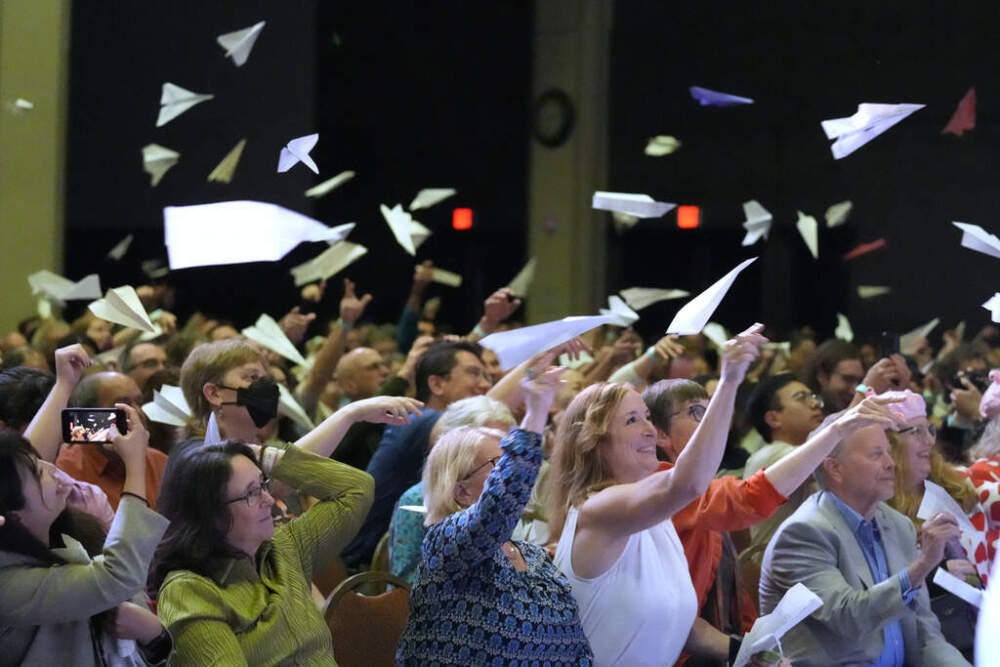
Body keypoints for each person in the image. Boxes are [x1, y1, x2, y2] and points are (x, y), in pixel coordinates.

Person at [548, 325, 768, 665]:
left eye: (648, 417)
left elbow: (680, 623)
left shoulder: (654, 512)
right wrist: (729, 382)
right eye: (632, 420)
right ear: (594, 442)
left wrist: (747, 655)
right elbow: (690, 483)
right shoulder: (599, 508)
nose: (650, 429)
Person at [396, 367, 593, 665]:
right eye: (498, 464)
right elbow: (496, 508)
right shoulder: (445, 542)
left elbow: (575, 646)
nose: (514, 470)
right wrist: (535, 415)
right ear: (461, 491)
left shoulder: (532, 556)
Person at [758, 410, 970, 666]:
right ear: (835, 468)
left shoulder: (898, 525)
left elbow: (924, 633)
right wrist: (923, 566)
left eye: (888, 452)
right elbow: (850, 618)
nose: (890, 463)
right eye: (876, 454)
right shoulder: (803, 533)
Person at [151, 435, 378, 664]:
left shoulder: (285, 548)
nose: (269, 500)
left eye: (263, 484)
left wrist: (265, 456)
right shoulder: (189, 592)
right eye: (252, 493)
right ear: (211, 515)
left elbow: (358, 489)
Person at [0, 407, 172, 666]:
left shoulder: (75, 535)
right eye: (38, 473)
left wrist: (155, 635)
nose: (53, 470)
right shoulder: (7, 583)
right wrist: (135, 465)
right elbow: (118, 575)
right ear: (13, 515)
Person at [387, 395, 516, 583]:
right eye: (488, 439)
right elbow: (405, 579)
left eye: (505, 443)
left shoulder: (511, 488)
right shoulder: (417, 498)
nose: (505, 460)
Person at [883, 389, 998, 583]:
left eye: (929, 429)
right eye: (915, 432)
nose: (929, 441)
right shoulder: (875, 510)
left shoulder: (960, 484)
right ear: (886, 444)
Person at [740, 373, 825, 566]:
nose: (815, 404)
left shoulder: (807, 452)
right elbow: (830, 459)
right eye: (801, 398)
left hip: (810, 562)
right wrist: (863, 393)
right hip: (783, 574)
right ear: (773, 418)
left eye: (813, 396)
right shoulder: (770, 456)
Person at [56, 371, 169, 510]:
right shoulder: (66, 472)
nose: (138, 413)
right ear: (89, 416)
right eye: (123, 406)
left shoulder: (160, 461)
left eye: (139, 402)